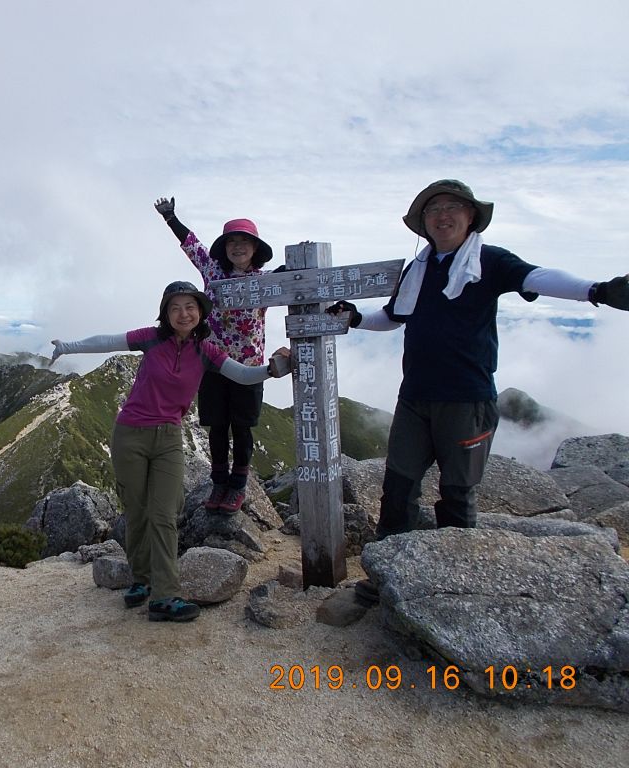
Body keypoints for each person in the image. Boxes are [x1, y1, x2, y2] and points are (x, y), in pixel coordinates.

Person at [327, 179, 629, 564]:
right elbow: (393, 316)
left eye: (453, 207)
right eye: (433, 210)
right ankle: (388, 571)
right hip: (415, 397)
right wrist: (355, 318)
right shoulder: (417, 270)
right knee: (398, 486)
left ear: (471, 217)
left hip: (467, 399)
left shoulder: (491, 261)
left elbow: (536, 277)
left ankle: (454, 572)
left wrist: (597, 290)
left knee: (457, 491)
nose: (442, 215)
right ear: (424, 223)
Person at [51, 281, 291, 622]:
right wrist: (67, 347)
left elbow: (241, 375)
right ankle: (142, 579)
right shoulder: (151, 338)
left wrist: (272, 370)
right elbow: (108, 341)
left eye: (190, 307)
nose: (183, 313)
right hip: (129, 434)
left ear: (200, 313)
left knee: (164, 515)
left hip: (168, 439)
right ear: (165, 313)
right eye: (175, 307)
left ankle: (164, 596)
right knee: (136, 512)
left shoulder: (206, 351)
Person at [154, 197, 282, 513]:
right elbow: (192, 245)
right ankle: (219, 483)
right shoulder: (213, 272)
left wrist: (305, 257)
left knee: (241, 427)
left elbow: (295, 278)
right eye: (232, 242)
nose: (237, 247)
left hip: (248, 368)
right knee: (217, 426)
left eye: (244, 242)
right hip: (211, 365)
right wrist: (171, 217)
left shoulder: (265, 283)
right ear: (224, 248)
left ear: (254, 249)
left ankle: (237, 487)